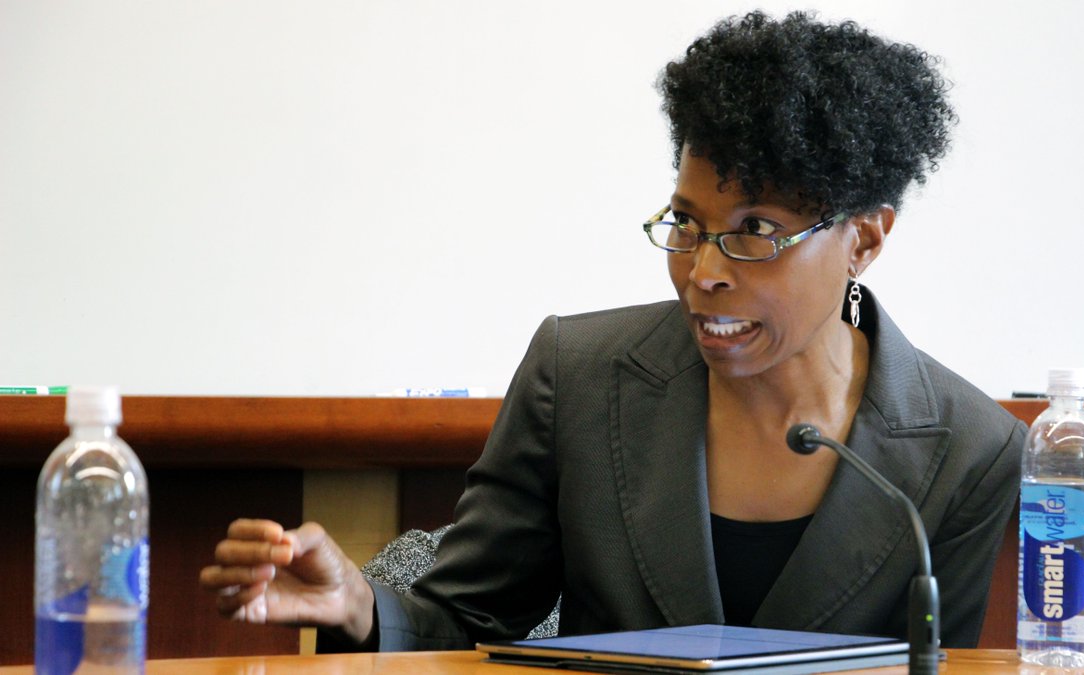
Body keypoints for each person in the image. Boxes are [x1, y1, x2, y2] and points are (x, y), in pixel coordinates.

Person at [200, 10, 1024, 651]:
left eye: (755, 230)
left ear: (865, 240)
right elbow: (463, 622)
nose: (703, 270)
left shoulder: (969, 452)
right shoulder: (579, 378)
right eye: (688, 223)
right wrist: (357, 604)